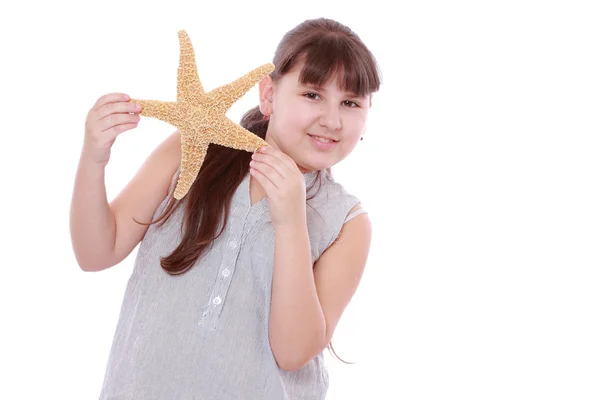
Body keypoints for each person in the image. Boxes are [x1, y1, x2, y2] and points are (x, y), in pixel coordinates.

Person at [70, 17, 382, 400]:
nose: (331, 120)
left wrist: (290, 221)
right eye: (312, 95)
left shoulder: (347, 223)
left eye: (350, 103)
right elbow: (97, 251)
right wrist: (94, 159)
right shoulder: (190, 151)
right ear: (268, 94)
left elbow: (293, 352)